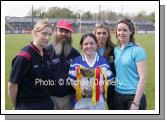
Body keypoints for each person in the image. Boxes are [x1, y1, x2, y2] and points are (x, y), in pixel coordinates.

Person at [8, 20, 54, 110]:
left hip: (47, 104)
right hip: (29, 106)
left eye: (50, 34)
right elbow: (12, 85)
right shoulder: (24, 56)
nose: (47, 37)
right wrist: (15, 106)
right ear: (36, 33)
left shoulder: (46, 54)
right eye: (44, 34)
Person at [68, 33, 114, 110]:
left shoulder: (103, 62)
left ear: (96, 45)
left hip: (98, 103)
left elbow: (110, 80)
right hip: (80, 103)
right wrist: (79, 89)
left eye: (92, 43)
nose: (89, 46)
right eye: (86, 44)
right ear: (81, 46)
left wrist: (101, 88)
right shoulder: (76, 62)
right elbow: (71, 80)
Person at [114, 17, 147, 110]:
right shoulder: (115, 49)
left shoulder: (138, 50)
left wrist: (136, 103)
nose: (121, 32)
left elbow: (143, 78)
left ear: (131, 31)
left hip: (133, 96)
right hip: (117, 94)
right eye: (119, 30)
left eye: (125, 30)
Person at [46, 20, 80, 110]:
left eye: (67, 31)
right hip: (50, 98)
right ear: (55, 32)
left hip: (69, 98)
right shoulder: (46, 51)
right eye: (61, 31)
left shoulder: (75, 54)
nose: (64, 34)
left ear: (70, 34)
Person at [94, 22, 116, 110]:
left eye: (104, 33)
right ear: (95, 34)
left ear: (108, 34)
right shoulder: (90, 48)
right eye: (99, 33)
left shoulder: (115, 49)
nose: (101, 36)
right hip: (95, 87)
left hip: (111, 87)